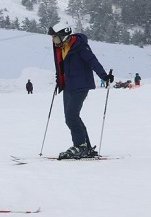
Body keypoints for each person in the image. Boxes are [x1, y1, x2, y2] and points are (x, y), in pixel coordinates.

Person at [48, 26, 114, 160]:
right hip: (68, 86)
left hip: (81, 85)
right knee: (71, 117)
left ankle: (80, 146)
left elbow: (92, 61)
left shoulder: (79, 46)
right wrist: (59, 80)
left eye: (55, 36)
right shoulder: (60, 47)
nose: (53, 39)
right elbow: (60, 66)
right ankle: (86, 147)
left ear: (64, 35)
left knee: (71, 117)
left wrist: (104, 75)